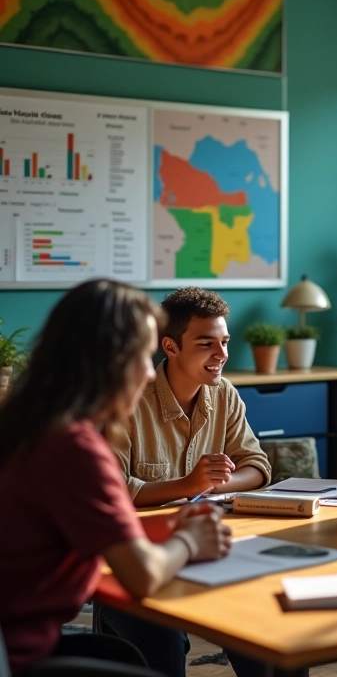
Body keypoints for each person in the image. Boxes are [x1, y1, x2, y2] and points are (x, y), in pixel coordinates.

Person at [0, 279, 232, 676]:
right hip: (16, 655)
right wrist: (188, 541)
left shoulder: (28, 425)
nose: (147, 373)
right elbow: (142, 576)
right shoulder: (76, 448)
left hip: (15, 637)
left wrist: (165, 525)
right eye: (142, 356)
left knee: (123, 656)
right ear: (108, 360)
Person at [112, 286, 271, 507]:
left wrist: (212, 484)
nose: (223, 354)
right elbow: (113, 489)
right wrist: (189, 485)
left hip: (206, 524)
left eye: (224, 342)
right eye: (206, 344)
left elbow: (257, 467)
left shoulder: (224, 393)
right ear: (171, 347)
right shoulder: (128, 402)